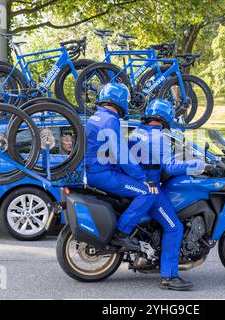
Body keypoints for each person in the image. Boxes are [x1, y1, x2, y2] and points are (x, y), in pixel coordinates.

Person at [128, 98, 205, 291]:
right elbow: (170, 165)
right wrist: (196, 165)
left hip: (136, 185)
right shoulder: (159, 137)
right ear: (166, 117)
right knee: (174, 227)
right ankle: (169, 276)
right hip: (152, 191)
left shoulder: (138, 132)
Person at [84, 82, 159, 251]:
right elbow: (121, 155)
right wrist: (143, 178)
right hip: (103, 173)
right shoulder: (110, 120)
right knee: (147, 192)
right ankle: (122, 233)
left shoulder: (95, 117)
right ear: (121, 100)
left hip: (96, 170)